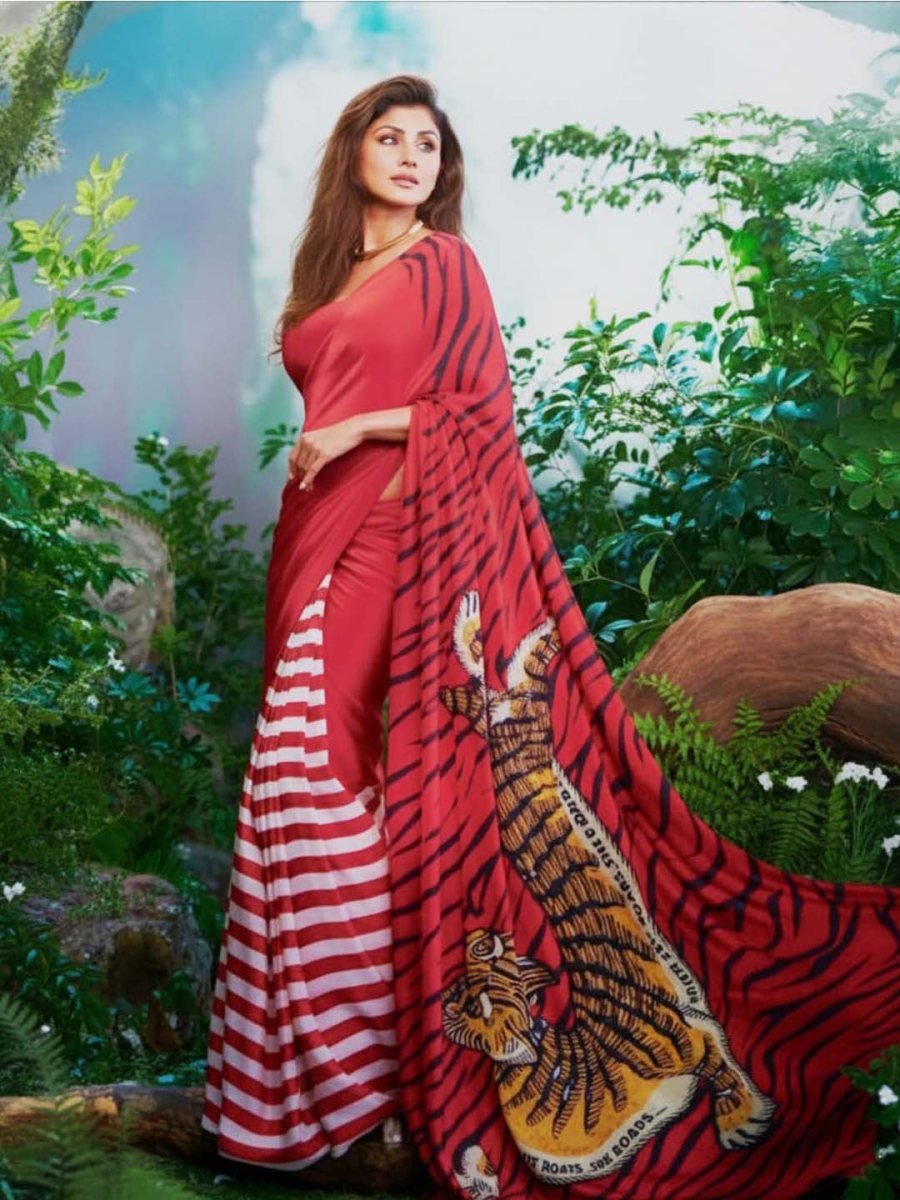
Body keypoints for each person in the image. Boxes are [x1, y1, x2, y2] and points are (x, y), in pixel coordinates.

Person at [201, 74, 900, 1200]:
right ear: (353, 153)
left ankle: (369, 1085)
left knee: (336, 797)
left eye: (429, 144)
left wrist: (356, 430)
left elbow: (480, 412)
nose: (413, 157)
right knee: (290, 806)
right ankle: (292, 1107)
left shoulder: (444, 266)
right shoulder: (330, 276)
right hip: (315, 547)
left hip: (400, 556)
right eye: (391, 138)